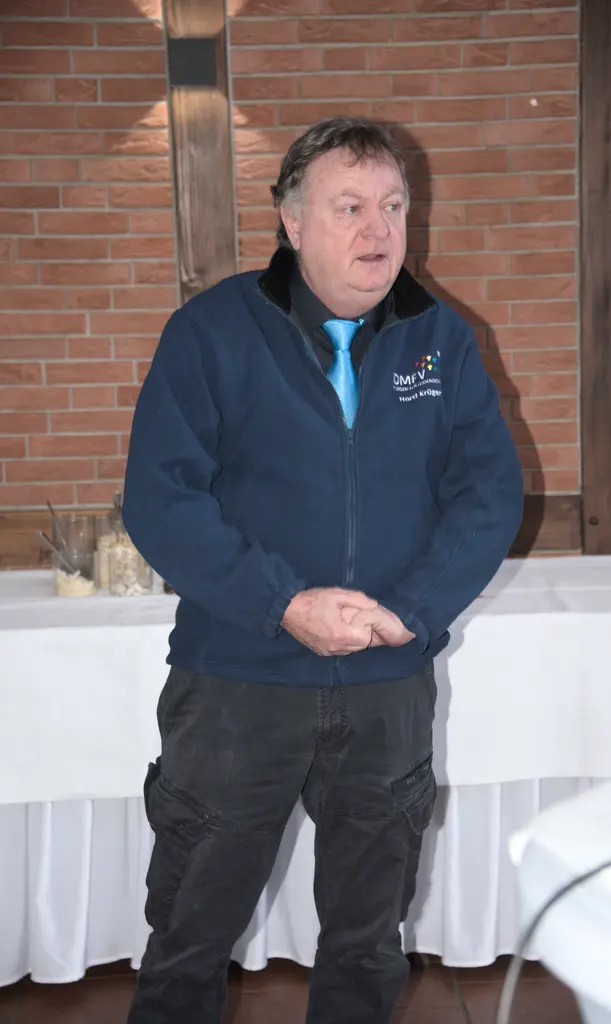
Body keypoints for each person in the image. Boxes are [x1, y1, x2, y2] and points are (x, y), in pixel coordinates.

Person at [123, 116, 523, 1024]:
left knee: (368, 942)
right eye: (350, 207)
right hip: (239, 684)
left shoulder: (441, 338)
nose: (378, 229)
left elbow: (488, 494)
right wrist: (283, 603)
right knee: (189, 934)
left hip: (386, 682)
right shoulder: (211, 333)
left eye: (393, 206)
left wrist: (412, 611)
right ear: (292, 221)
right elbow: (160, 499)